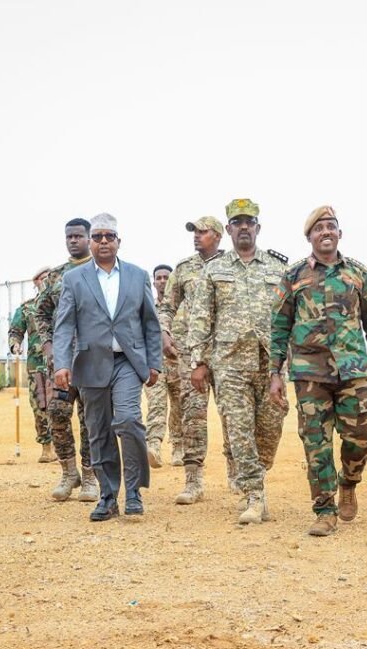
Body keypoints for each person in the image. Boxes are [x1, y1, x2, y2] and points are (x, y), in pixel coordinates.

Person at [271, 205, 367, 537]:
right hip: (309, 373)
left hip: (353, 370)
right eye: (318, 228)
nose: (325, 232)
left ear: (340, 233)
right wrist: (275, 373)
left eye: (331, 226)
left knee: (361, 435)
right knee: (316, 443)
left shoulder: (358, 273)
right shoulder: (293, 276)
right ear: (309, 237)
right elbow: (279, 327)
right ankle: (325, 510)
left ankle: (349, 481)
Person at [53, 213, 162, 521]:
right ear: (90, 242)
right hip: (90, 364)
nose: (103, 241)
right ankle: (108, 496)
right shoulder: (74, 279)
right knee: (98, 431)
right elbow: (64, 325)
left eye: (109, 236)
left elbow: (150, 323)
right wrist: (62, 363)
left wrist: (154, 362)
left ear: (118, 241)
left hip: (128, 361)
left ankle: (134, 491)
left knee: (128, 420)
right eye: (98, 236)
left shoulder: (138, 276)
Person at [186, 198, 289, 524]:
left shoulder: (278, 269)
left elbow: (290, 316)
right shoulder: (214, 270)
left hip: (270, 365)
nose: (244, 227)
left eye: (249, 222)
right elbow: (201, 317)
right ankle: (254, 496)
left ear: (258, 227)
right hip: (229, 364)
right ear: (229, 229)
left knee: (269, 432)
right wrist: (198, 361)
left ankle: (257, 475)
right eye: (237, 222)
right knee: (240, 432)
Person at [157, 216, 234, 505]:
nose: (196, 236)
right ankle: (193, 481)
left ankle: (237, 473)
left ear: (218, 236)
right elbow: (167, 306)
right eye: (194, 232)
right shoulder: (184, 269)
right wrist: (165, 333)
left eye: (202, 232)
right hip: (190, 352)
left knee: (232, 414)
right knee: (192, 416)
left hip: (227, 352)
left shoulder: (232, 266)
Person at [35, 219, 96, 503]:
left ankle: (91, 477)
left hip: (93, 359)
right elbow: (41, 312)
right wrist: (48, 345)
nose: (73, 240)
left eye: (78, 236)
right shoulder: (55, 276)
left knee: (90, 420)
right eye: (69, 236)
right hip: (61, 362)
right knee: (57, 413)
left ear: (89, 238)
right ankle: (69, 473)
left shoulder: (100, 271)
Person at [8, 266, 54, 462]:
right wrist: (15, 345)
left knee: (61, 406)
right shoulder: (27, 308)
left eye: (49, 277)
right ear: (36, 282)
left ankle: (64, 448)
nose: (47, 281)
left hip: (63, 364)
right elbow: (15, 331)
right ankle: (47, 448)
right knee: (40, 405)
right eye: (43, 278)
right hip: (37, 365)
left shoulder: (64, 304)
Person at [142, 264, 183, 467]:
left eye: (166, 277)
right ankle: (154, 446)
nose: (162, 281)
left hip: (179, 364)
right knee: (156, 405)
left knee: (179, 407)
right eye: (158, 278)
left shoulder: (182, 306)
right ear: (153, 281)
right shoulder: (146, 305)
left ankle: (178, 447)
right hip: (154, 365)